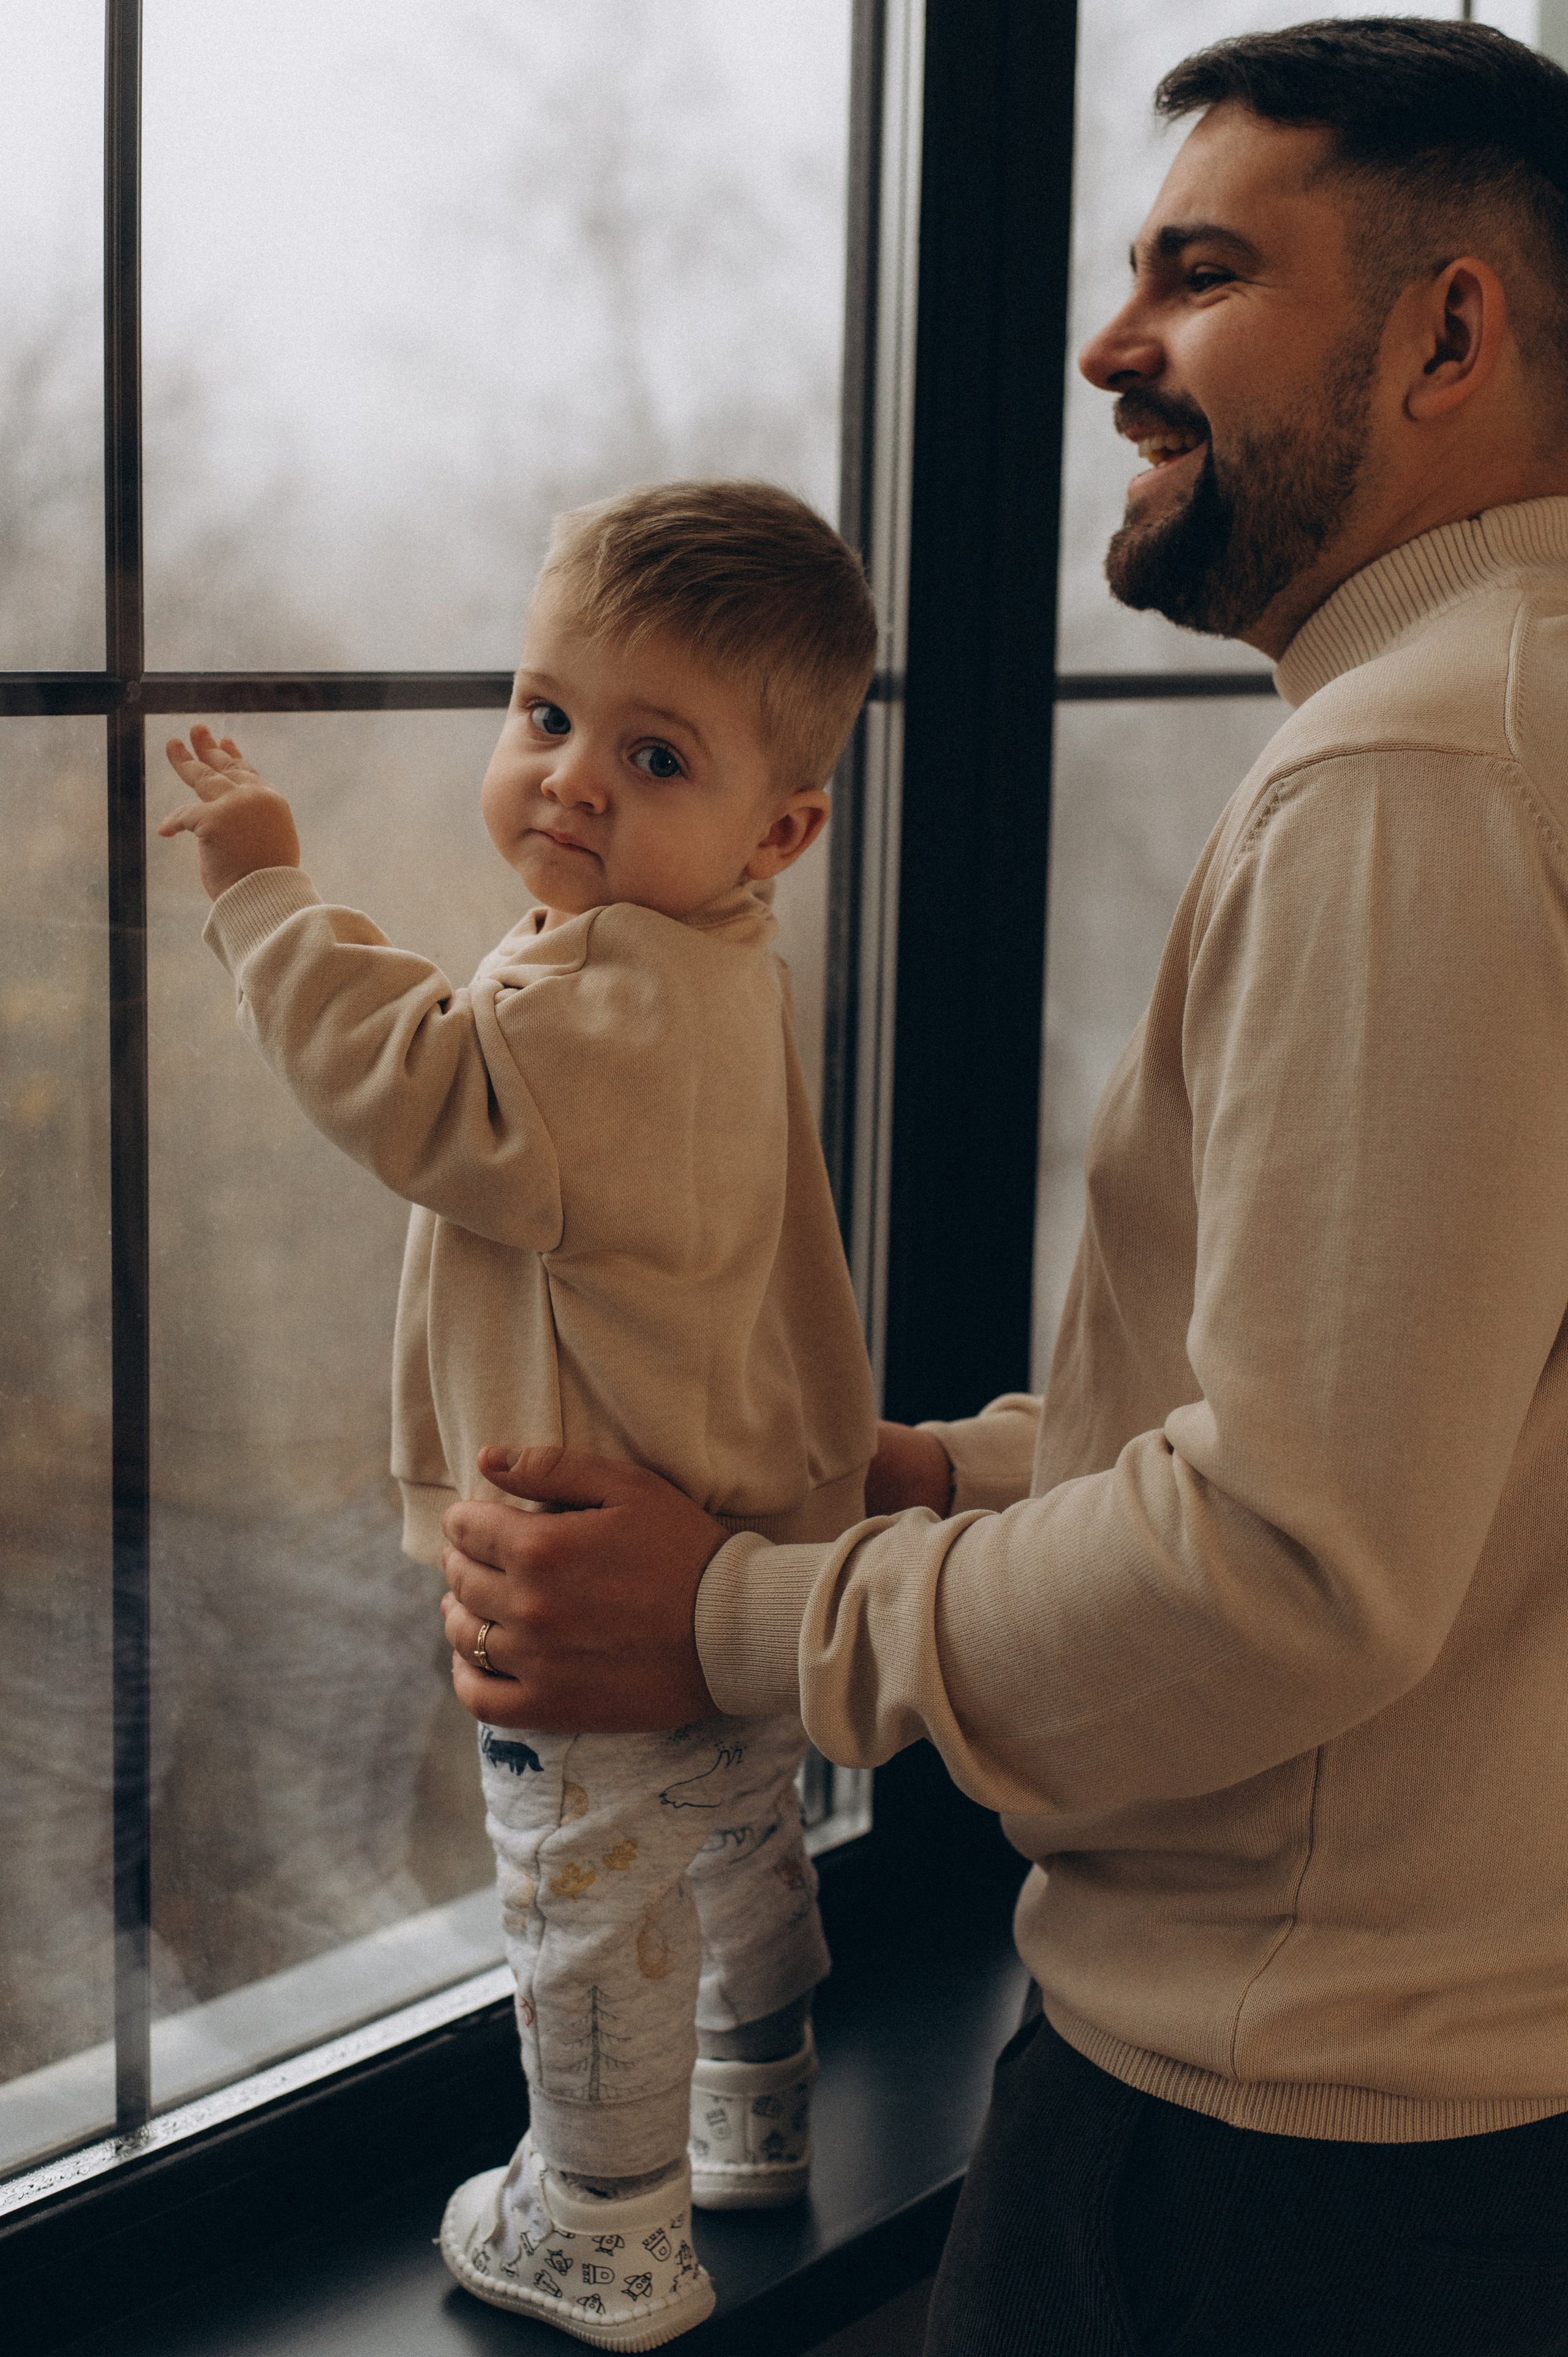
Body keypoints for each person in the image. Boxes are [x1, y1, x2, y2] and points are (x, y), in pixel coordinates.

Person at [433, 21, 1568, 2353]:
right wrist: (940, 1480)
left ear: (1450, 332)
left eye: (1202, 271)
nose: (1104, 344)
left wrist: (746, 1622)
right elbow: (1451, 1419)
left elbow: (1295, 1564)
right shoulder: (1517, 714)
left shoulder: (1411, 775)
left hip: (1286, 2175)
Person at [158, 480, 880, 2350]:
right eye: (545, 714)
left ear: (779, 827)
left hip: (585, 1564)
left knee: (581, 1883)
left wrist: (259, 890)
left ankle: (606, 2224)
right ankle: (761, 2088)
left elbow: (417, 1090)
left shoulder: (584, 1008)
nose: (569, 779)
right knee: (734, 1832)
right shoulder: (718, 968)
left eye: (651, 753)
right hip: (723, 1519)